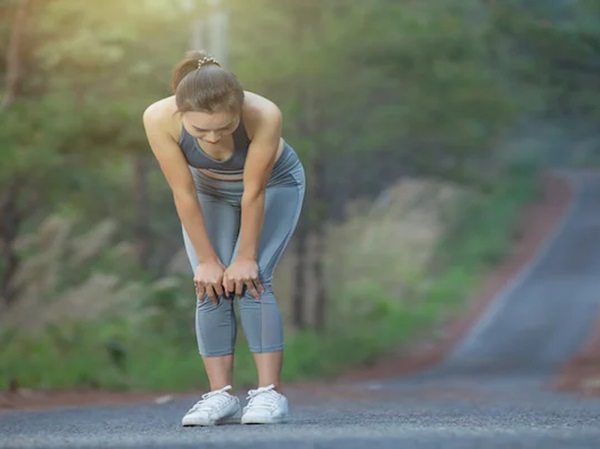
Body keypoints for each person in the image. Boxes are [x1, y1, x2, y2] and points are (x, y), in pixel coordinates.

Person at [142, 50, 305, 426]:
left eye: (224, 127)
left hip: (275, 185)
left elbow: (254, 192)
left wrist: (244, 256)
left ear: (238, 107)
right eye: (200, 131)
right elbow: (183, 193)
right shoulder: (157, 118)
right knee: (210, 283)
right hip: (207, 191)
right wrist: (208, 261)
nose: (213, 138)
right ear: (182, 114)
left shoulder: (264, 114)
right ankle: (220, 397)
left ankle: (269, 394)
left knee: (252, 279)